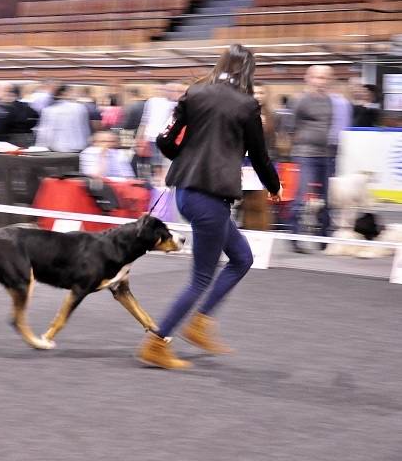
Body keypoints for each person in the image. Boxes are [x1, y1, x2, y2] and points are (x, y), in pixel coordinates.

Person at [135, 44, 282, 370]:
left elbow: (164, 140)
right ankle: (157, 342)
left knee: (242, 258)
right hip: (210, 199)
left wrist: (186, 162)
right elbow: (259, 157)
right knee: (200, 279)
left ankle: (200, 323)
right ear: (248, 71)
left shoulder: (195, 92)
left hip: (186, 192)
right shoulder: (247, 106)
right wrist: (275, 187)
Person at [289, 65, 341, 253]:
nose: (321, 81)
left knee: (327, 200)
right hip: (305, 154)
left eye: (325, 78)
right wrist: (300, 142)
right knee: (301, 198)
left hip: (326, 155)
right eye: (317, 77)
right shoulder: (300, 100)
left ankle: (324, 238)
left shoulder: (330, 101)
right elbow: (290, 126)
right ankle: (294, 236)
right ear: (308, 78)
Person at [240, 82, 276, 231]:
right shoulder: (240, 114)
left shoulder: (272, 117)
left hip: (260, 164)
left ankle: (258, 235)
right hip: (241, 163)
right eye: (255, 93)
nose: (258, 96)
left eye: (261, 93)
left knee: (257, 203)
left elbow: (272, 143)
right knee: (243, 203)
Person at [35, 84, 91, 153]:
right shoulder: (80, 107)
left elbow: (45, 131)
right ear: (64, 93)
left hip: (55, 147)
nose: (75, 94)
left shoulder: (49, 110)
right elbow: (85, 128)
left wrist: (41, 146)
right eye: (72, 91)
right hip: (77, 145)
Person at [0, 84, 39, 148]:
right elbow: (35, 118)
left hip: (11, 139)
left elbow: (1, 126)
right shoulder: (26, 107)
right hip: (28, 137)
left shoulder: (6, 108)